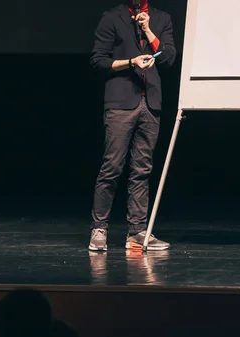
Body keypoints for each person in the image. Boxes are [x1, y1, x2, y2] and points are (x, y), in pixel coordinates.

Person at [89, 0, 176, 251]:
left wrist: (149, 30)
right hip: (120, 103)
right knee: (111, 167)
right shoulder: (111, 17)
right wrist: (131, 62)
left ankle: (137, 232)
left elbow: (168, 57)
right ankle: (99, 230)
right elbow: (98, 61)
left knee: (142, 170)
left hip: (150, 102)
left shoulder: (161, 19)